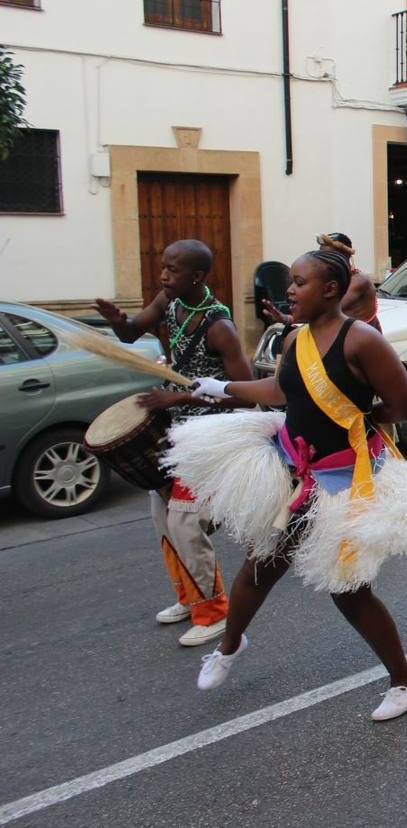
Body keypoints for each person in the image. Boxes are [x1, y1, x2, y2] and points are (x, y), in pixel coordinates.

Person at [170, 248, 407, 720]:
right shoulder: (296, 339)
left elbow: (403, 406)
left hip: (342, 481)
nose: (289, 289)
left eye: (299, 282)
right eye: (289, 281)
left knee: (349, 590)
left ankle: (405, 681)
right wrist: (220, 388)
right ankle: (228, 645)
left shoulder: (361, 340)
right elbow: (281, 392)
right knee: (259, 564)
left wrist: (361, 424)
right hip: (291, 469)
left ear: (330, 289)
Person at [93, 240, 254, 648]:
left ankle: (216, 613)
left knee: (185, 520)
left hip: (207, 435)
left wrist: (179, 396)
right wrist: (117, 321)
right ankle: (191, 598)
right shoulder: (169, 300)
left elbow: (247, 394)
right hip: (174, 428)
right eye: (162, 267)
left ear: (196, 277)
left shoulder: (220, 327)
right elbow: (131, 333)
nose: (163, 275)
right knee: (161, 515)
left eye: (172, 269)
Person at [262, 233, 380, 332]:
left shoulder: (359, 281)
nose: (323, 260)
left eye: (329, 255)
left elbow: (324, 309)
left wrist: (287, 318)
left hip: (358, 346)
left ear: (346, 256)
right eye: (321, 255)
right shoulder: (328, 281)